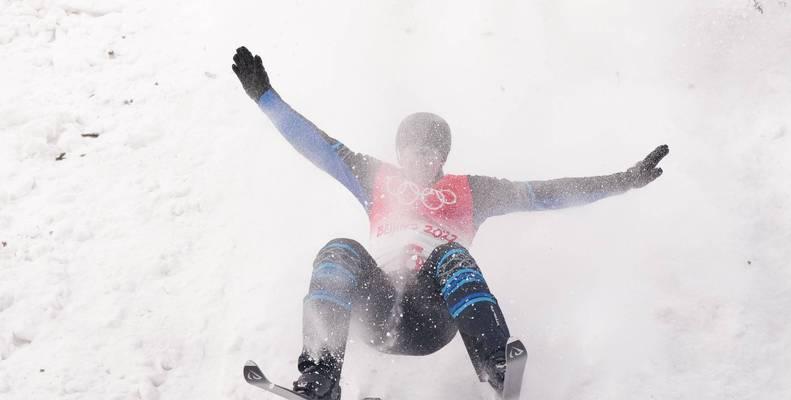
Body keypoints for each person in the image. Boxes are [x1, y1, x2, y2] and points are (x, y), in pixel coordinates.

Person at [232, 46, 669, 400]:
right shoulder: (375, 178)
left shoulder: (472, 191)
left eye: (431, 151)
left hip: (433, 315)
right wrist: (265, 96)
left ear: (443, 157)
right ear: (399, 152)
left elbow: (547, 193)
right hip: (378, 306)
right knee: (338, 249)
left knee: (450, 254)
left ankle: (496, 365)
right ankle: (321, 378)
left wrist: (623, 181)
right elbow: (319, 146)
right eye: (413, 149)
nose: (421, 157)